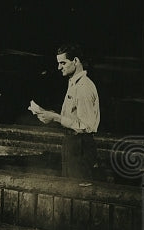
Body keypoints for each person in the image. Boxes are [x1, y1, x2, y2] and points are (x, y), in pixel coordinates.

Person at [30, 43, 101, 180]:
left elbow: (86, 126)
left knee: (77, 189)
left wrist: (56, 117)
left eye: (63, 63)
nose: (59, 67)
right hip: (72, 142)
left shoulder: (83, 87)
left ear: (75, 61)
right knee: (69, 187)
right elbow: (72, 116)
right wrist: (49, 114)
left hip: (80, 145)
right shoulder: (73, 83)